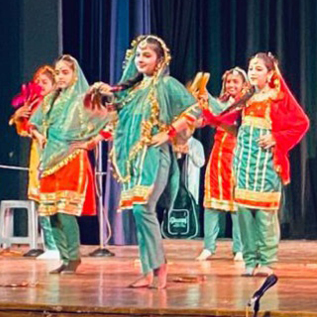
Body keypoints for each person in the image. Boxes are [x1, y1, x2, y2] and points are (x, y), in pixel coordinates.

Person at [89, 35, 202, 289]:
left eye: (147, 55)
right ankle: (148, 271)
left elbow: (194, 109)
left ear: (159, 60)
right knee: (139, 213)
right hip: (135, 159)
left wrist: (169, 132)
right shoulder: (134, 90)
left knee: (144, 209)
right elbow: (119, 116)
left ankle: (160, 267)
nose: (141, 59)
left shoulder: (167, 84)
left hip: (155, 155)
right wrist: (105, 95)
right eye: (138, 55)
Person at [208, 53, 308, 277]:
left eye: (258, 69)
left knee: (264, 213)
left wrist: (276, 138)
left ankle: (266, 259)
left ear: (270, 73)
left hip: (266, 162)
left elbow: (301, 122)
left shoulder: (277, 97)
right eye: (251, 68)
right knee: (244, 211)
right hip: (244, 160)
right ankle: (250, 259)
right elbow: (226, 120)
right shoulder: (246, 98)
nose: (252, 72)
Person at [28, 55, 111, 274]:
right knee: (50, 212)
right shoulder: (50, 100)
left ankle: (73, 257)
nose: (60, 77)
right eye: (57, 73)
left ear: (75, 74)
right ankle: (64, 258)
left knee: (65, 212)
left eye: (65, 72)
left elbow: (112, 121)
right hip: (49, 160)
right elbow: (33, 124)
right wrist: (39, 136)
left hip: (72, 159)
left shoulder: (84, 100)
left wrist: (90, 142)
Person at [195, 68, 248, 261]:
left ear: (244, 84)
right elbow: (206, 119)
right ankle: (209, 246)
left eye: (236, 82)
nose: (232, 85)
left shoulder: (245, 105)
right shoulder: (221, 102)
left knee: (236, 205)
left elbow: (223, 117)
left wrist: (206, 99)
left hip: (236, 155)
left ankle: (240, 248)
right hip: (218, 155)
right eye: (228, 82)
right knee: (211, 203)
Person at [9, 65, 60, 259]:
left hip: (55, 155)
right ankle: (49, 246)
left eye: (44, 83)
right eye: (37, 82)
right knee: (40, 200)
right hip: (37, 156)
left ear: (54, 85)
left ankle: (59, 246)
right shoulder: (35, 105)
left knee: (55, 200)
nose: (40, 86)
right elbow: (24, 130)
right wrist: (19, 116)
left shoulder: (58, 105)